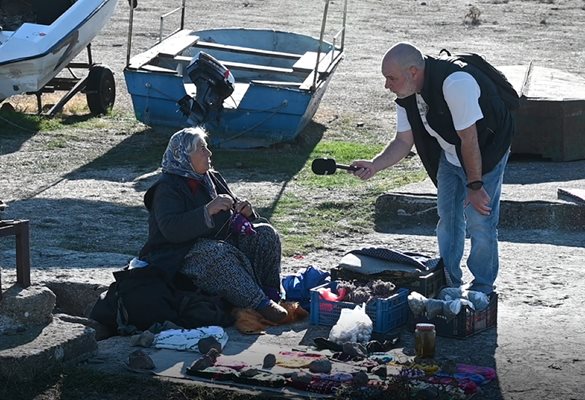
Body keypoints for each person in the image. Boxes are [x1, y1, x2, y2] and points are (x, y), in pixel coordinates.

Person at [350, 42, 515, 294]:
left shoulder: (456, 82)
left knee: (480, 220)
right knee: (447, 218)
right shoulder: (407, 95)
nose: (387, 85)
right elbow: (403, 141)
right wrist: (375, 165)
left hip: (486, 150)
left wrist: (475, 184)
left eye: (391, 78)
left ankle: (482, 285)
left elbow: (469, 139)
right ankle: (449, 279)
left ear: (413, 71)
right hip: (450, 153)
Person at [137, 127, 288, 323]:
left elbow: (233, 214)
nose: (209, 153)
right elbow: (171, 230)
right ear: (184, 155)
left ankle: (271, 293)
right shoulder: (167, 187)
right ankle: (260, 304)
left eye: (206, 147)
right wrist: (207, 211)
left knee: (265, 233)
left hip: (220, 244)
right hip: (178, 255)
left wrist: (247, 213)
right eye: (202, 149)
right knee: (213, 252)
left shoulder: (212, 178)